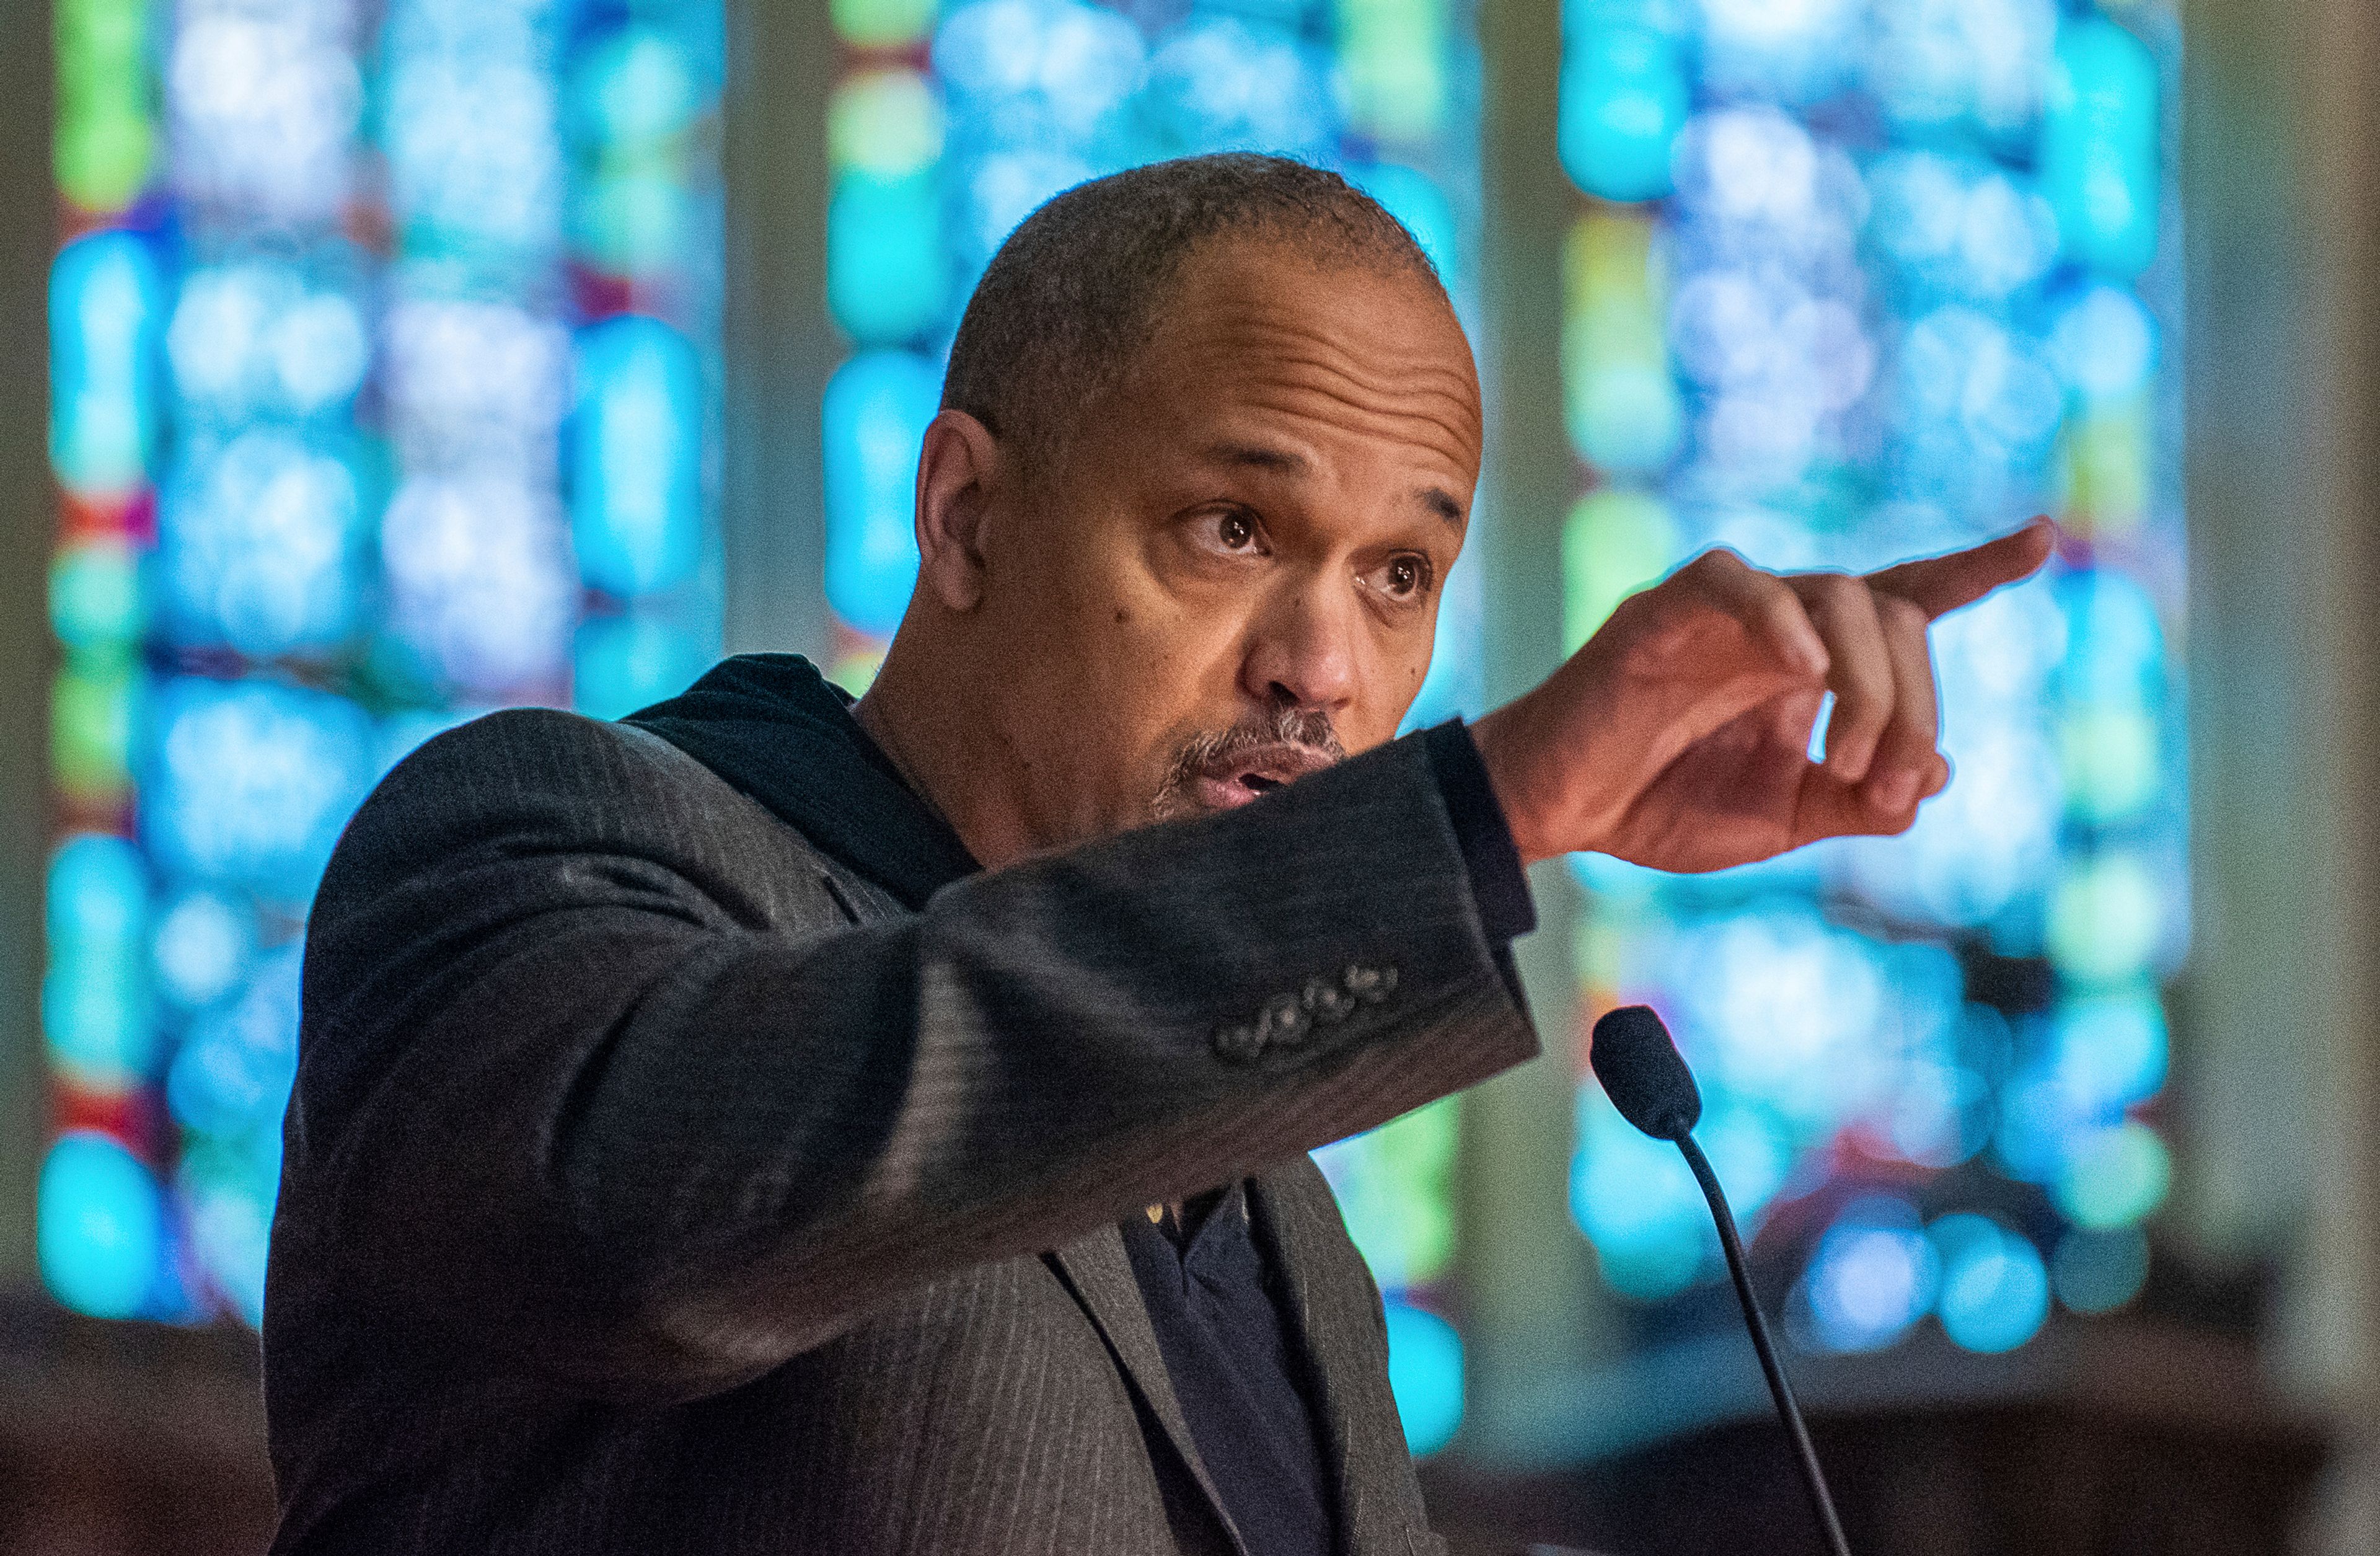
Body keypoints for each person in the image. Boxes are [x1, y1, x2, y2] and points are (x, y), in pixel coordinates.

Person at [262, 153, 2052, 1556]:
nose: (1325, 669)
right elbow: (660, 1224)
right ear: (966, 515)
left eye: (1401, 575)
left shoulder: (1281, 1219)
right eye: (1233, 525)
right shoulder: (550, 843)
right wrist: (1486, 809)